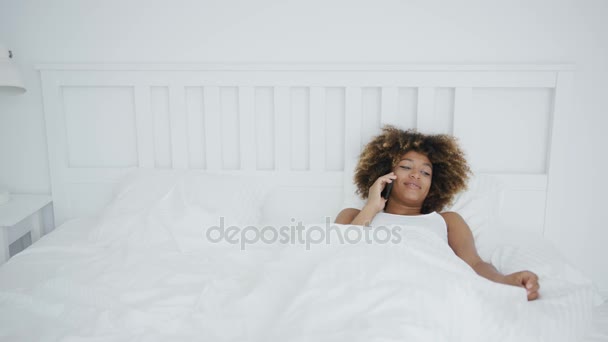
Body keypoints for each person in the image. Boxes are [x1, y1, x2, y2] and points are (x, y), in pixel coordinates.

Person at [335, 126, 540, 301]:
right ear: (385, 174)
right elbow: (337, 257)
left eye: (426, 172)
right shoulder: (354, 215)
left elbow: (474, 264)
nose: (416, 174)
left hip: (433, 290)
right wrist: (371, 207)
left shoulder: (447, 220)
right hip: (372, 289)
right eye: (406, 167)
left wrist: (505, 281)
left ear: (433, 185)